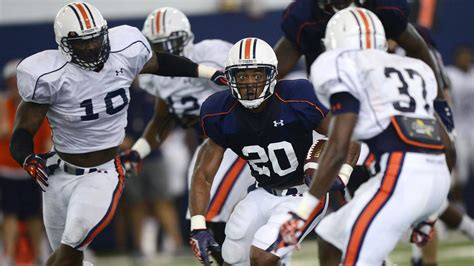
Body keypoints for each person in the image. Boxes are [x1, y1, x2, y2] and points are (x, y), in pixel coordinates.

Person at [9, 2, 226, 266]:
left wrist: (208, 72)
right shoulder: (47, 75)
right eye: (81, 43)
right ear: (63, 44)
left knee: (69, 248)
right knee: (70, 256)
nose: (90, 47)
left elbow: (162, 63)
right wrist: (27, 158)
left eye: (94, 39)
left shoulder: (124, 49)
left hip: (103, 173)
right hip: (57, 174)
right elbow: (23, 128)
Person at [279, 7, 451, 265]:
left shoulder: (341, 64)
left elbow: (337, 146)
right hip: (437, 179)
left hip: (399, 179)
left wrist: (300, 213)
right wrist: (429, 215)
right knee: (331, 234)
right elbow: (448, 147)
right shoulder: (414, 69)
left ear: (333, 42)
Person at [188, 37, 359, 266]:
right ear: (230, 78)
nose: (249, 83)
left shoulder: (297, 97)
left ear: (272, 76)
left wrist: (342, 175)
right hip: (261, 192)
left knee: (262, 258)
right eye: (242, 76)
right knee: (232, 258)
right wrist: (198, 226)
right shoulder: (218, 111)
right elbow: (203, 174)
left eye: (257, 75)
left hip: (303, 194)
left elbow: (347, 138)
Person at [121, 7, 253, 261]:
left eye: (172, 43)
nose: (167, 50)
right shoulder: (157, 77)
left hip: (240, 142)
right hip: (209, 148)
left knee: (214, 214)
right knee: (204, 217)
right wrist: (137, 152)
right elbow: (162, 121)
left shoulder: (211, 53)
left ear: (187, 37)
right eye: (160, 45)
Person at [275, 0, 456, 167]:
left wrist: (439, 103)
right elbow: (275, 69)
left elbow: (418, 48)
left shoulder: (384, 8)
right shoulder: (304, 15)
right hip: (335, 108)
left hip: (383, 105)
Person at [0, 59, 51, 265]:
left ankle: (38, 256)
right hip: (7, 170)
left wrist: (47, 160)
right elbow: (3, 132)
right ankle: (10, 257)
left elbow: (47, 138)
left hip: (31, 169)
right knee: (10, 214)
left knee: (33, 215)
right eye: (11, 83)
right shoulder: (3, 105)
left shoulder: (35, 107)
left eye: (18, 83)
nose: (15, 87)